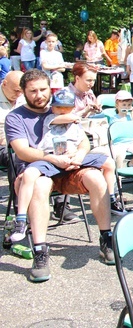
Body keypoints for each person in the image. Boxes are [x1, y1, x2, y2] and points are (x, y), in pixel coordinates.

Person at [5, 70, 117, 282]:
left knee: (96, 177)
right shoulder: (16, 117)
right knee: (39, 185)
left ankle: (106, 237)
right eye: (33, 91)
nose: (39, 95)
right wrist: (53, 159)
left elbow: (83, 140)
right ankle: (40, 251)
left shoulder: (60, 109)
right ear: (24, 92)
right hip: (35, 170)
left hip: (67, 167)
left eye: (43, 90)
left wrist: (79, 154)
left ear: (51, 88)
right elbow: (22, 151)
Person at [10, 87, 119, 243]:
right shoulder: (50, 118)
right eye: (59, 107)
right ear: (52, 107)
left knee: (108, 162)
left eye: (67, 107)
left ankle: (112, 199)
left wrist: (79, 156)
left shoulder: (74, 122)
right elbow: (63, 119)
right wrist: (76, 115)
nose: (62, 111)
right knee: (29, 175)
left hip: (73, 158)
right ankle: (21, 219)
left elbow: (84, 143)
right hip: (50, 160)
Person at [105, 90, 133, 169]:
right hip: (119, 143)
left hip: (132, 142)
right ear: (117, 105)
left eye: (129, 105)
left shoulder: (130, 117)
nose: (127, 107)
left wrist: (132, 114)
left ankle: (130, 164)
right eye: (124, 105)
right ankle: (118, 172)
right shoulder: (114, 119)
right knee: (119, 156)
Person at [0, 71, 24, 169]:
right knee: (16, 157)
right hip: (3, 144)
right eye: (16, 90)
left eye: (21, 91)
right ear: (4, 84)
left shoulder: (24, 98)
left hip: (22, 141)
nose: (19, 94)